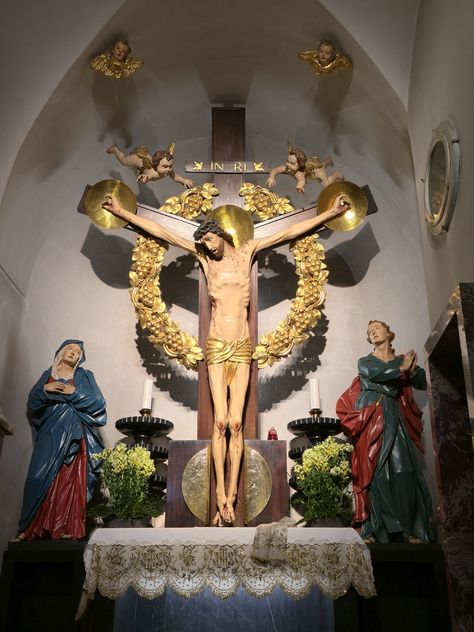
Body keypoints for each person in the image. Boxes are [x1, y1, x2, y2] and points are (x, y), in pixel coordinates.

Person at [102, 193, 349, 525]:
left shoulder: (247, 252)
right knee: (220, 423)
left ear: (221, 234)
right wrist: (123, 213)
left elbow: (289, 232)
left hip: (242, 346)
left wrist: (329, 214)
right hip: (217, 345)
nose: (206, 245)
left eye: (209, 238)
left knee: (236, 424)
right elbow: (164, 232)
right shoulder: (206, 262)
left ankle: (232, 495)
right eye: (202, 241)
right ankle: (220, 494)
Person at [336, 321, 434, 544]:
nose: (372, 332)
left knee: (403, 470)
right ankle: (376, 528)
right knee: (374, 471)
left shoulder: (402, 360)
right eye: (369, 331)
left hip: (395, 415)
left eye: (377, 328)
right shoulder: (366, 361)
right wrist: (402, 370)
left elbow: (422, 382)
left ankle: (407, 529)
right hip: (373, 417)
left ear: (389, 333)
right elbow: (379, 373)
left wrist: (413, 369)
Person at [14, 341, 106, 540]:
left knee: (70, 479)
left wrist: (74, 393)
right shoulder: (48, 374)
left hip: (75, 434)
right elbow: (33, 402)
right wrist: (46, 389)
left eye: (78, 352)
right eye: (70, 349)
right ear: (61, 352)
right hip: (50, 432)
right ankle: (29, 530)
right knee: (37, 477)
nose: (74, 352)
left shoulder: (84, 376)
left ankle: (67, 528)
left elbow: (98, 403)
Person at [266, 142, 343, 193]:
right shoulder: (286, 168)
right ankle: (327, 162)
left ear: (300, 165)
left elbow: (301, 181)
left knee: (327, 185)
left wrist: (299, 187)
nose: (288, 164)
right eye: (287, 161)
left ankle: (336, 175)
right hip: (311, 169)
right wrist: (272, 177)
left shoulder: (298, 173)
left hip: (316, 171)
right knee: (322, 164)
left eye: (292, 163)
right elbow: (275, 170)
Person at [107, 143, 194, 187]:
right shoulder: (153, 173)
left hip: (144, 160)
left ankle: (137, 167)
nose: (168, 169)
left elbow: (174, 176)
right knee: (124, 161)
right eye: (165, 166)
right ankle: (115, 149)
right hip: (137, 158)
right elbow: (147, 177)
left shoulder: (167, 172)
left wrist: (184, 180)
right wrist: (144, 177)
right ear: (156, 165)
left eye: (170, 166)